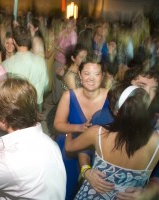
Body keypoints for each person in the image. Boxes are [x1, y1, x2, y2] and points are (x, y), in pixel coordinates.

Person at [65, 83, 159, 199]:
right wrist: (150, 191)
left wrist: (68, 131)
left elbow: (69, 147)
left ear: (115, 111)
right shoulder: (156, 140)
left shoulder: (98, 133)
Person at [53, 59, 112, 200]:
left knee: (100, 189)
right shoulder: (69, 95)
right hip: (70, 142)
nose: (91, 78)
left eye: (96, 74)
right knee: (66, 186)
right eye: (86, 73)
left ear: (102, 76)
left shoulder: (111, 96)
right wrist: (78, 127)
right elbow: (57, 124)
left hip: (99, 148)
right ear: (79, 75)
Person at [2, 26, 49, 112]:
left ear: (14, 41)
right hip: (35, 104)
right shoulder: (40, 61)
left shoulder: (6, 64)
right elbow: (45, 85)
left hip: (17, 106)